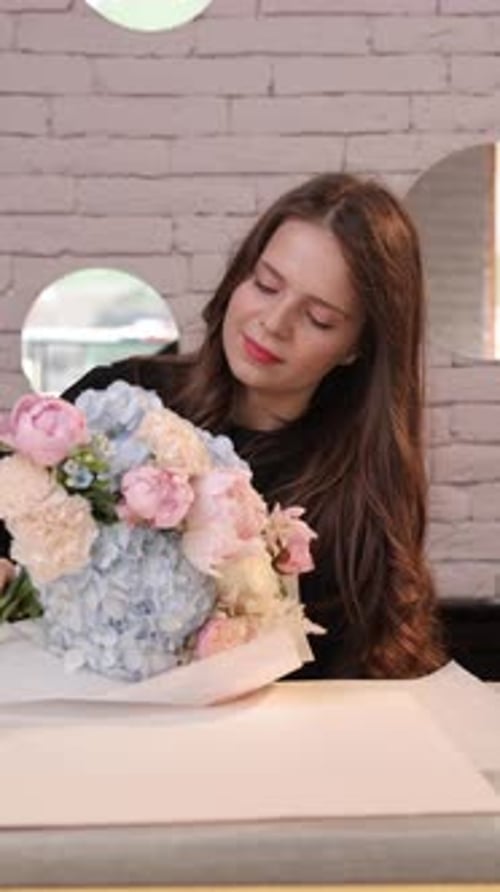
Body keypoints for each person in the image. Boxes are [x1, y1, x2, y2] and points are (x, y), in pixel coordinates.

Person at [0, 172, 446, 679]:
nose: (273, 323)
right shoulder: (118, 401)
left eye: (319, 318)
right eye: (266, 284)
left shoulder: (353, 505)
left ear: (356, 348)